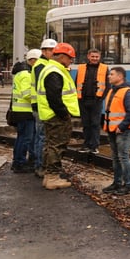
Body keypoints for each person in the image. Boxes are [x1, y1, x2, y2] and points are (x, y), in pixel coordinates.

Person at [36, 42, 80, 190]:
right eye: (70, 58)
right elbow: (54, 97)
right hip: (56, 115)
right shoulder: (55, 71)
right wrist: (64, 114)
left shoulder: (51, 69)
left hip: (49, 114)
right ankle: (53, 177)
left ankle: (48, 176)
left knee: (50, 145)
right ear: (62, 57)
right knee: (56, 146)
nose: (71, 61)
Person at [102, 67, 130, 196]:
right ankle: (117, 183)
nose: (108, 76)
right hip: (112, 129)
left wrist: (122, 126)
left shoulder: (127, 92)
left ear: (120, 77)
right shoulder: (112, 90)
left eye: (111, 74)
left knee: (123, 157)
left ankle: (128, 185)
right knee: (116, 157)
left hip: (122, 130)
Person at [10, 50, 41, 173]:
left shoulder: (20, 73)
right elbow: (27, 93)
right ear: (32, 60)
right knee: (26, 138)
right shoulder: (26, 74)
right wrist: (40, 97)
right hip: (25, 111)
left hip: (20, 110)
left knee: (21, 137)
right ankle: (20, 163)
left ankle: (17, 161)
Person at [32, 39, 57, 178]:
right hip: (42, 107)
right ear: (43, 51)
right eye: (51, 51)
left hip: (42, 106)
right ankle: (40, 165)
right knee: (42, 137)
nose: (53, 53)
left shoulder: (45, 64)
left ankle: (41, 164)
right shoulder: (41, 65)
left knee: (42, 137)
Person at [75, 48, 108, 153]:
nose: (94, 58)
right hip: (83, 100)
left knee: (95, 124)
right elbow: (76, 83)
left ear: (100, 57)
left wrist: (101, 98)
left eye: (96, 57)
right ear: (88, 57)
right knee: (86, 124)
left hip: (96, 101)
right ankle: (86, 144)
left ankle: (94, 146)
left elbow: (108, 85)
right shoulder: (81, 68)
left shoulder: (104, 68)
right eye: (93, 56)